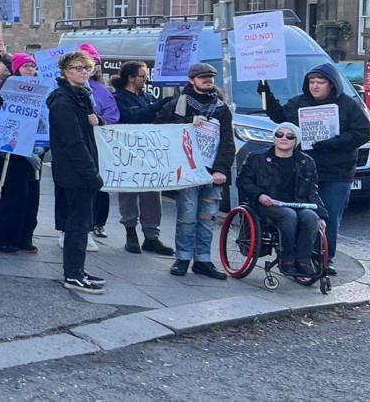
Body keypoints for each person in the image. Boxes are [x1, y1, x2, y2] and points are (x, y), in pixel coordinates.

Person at [261, 63, 370, 272]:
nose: (315, 86)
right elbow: (279, 117)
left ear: (332, 84)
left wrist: (335, 142)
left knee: (329, 216)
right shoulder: (300, 102)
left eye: (320, 82)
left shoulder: (347, 105)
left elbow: (364, 132)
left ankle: (325, 260)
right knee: (304, 215)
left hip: (338, 172)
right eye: (312, 82)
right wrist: (266, 93)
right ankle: (301, 257)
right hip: (305, 171)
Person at [157, 62, 234, 280]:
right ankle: (182, 258)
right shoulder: (178, 104)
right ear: (192, 80)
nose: (208, 81)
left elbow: (227, 142)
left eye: (210, 77)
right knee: (187, 216)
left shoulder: (221, 108)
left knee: (207, 218)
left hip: (211, 171)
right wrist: (188, 121)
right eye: (202, 77)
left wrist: (221, 169)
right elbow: (161, 129)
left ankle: (203, 260)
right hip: (188, 169)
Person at [46, 50, 106, 294]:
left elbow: (87, 131)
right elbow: (73, 142)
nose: (83, 72)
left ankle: (77, 270)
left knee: (83, 224)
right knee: (78, 225)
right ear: (65, 72)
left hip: (81, 170)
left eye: (86, 68)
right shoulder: (63, 100)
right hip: (75, 172)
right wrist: (91, 174)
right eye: (77, 68)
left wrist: (97, 120)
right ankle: (73, 274)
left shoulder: (82, 96)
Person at [237, 122, 328, 275]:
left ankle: (303, 260)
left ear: (296, 141)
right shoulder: (256, 158)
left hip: (297, 203)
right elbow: (243, 181)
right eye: (279, 134)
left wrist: (321, 215)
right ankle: (287, 259)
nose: (283, 138)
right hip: (265, 204)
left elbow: (313, 191)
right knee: (288, 215)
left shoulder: (306, 162)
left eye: (289, 136)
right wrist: (260, 195)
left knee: (311, 217)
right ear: (274, 138)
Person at [110, 61, 175, 256]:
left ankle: (151, 236)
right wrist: (158, 104)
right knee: (129, 193)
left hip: (148, 154)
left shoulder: (146, 97)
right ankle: (131, 231)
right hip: (128, 154)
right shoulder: (119, 98)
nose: (145, 79)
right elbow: (132, 117)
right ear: (130, 77)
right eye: (142, 76)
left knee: (152, 195)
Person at [0, 52, 44, 254]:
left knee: (32, 197)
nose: (30, 69)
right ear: (17, 68)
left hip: (35, 148)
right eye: (26, 65)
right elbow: (5, 122)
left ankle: (24, 236)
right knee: (15, 197)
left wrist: (41, 145)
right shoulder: (9, 88)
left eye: (32, 65)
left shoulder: (40, 88)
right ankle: (4, 238)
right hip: (14, 152)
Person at [78, 43, 119, 240]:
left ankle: (99, 222)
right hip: (79, 144)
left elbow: (112, 115)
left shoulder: (103, 90)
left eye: (94, 63)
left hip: (100, 144)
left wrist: (99, 120)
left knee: (101, 185)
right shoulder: (70, 88)